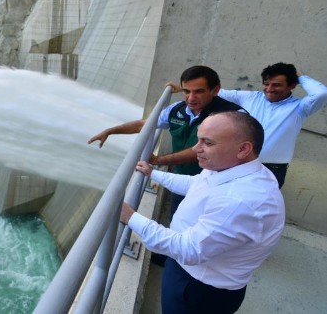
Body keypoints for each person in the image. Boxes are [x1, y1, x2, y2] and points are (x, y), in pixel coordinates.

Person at [120, 111, 285, 314]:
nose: (196, 149)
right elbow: (196, 183)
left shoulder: (239, 201)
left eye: (207, 142)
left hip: (198, 290)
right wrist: (153, 173)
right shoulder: (231, 167)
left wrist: (130, 217)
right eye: (198, 140)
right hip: (190, 273)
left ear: (243, 149)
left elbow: (190, 249)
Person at [89, 65, 244, 218]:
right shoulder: (177, 109)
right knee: (177, 222)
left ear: (215, 90)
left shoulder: (231, 117)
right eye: (186, 91)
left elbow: (198, 151)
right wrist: (111, 131)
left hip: (217, 185)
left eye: (199, 91)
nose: (191, 98)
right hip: (181, 180)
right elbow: (145, 124)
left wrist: (158, 160)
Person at [216, 63, 327, 188]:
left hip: (272, 170)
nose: (269, 88)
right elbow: (214, 92)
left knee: (260, 207)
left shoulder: (300, 107)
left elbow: (321, 93)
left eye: (276, 85)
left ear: (292, 85)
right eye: (266, 83)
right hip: (239, 164)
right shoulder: (250, 97)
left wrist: (300, 76)